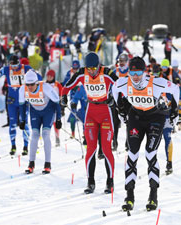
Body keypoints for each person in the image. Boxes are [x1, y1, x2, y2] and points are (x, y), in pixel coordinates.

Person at [112, 57, 180, 211]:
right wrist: (120, 108)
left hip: (155, 117)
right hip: (136, 117)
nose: (135, 76)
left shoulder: (155, 82)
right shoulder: (124, 82)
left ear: (144, 72)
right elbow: (114, 89)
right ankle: (129, 197)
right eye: (132, 72)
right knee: (132, 154)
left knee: (150, 154)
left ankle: (153, 195)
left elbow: (175, 89)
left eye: (138, 72)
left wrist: (175, 111)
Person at [62, 52, 118, 194]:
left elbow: (120, 85)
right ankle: (90, 182)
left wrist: (113, 98)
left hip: (105, 112)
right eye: (89, 69)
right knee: (90, 149)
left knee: (105, 149)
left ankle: (109, 182)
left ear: (99, 65)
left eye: (94, 68)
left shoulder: (106, 72)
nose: (92, 72)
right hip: (91, 112)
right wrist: (63, 97)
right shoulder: (82, 73)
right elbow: (67, 86)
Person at [0, 54, 40, 156]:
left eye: (15, 65)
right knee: (12, 123)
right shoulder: (6, 69)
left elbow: (38, 77)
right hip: (12, 101)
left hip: (24, 101)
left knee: (24, 122)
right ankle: (13, 146)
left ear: (19, 63)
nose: (13, 67)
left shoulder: (25, 68)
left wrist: (33, 75)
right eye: (11, 65)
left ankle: (25, 147)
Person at [19, 70, 61, 174]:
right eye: (27, 84)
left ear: (36, 83)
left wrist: (58, 118)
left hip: (48, 111)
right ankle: (31, 164)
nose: (29, 87)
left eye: (32, 84)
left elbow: (56, 101)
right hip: (35, 112)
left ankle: (47, 164)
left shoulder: (45, 87)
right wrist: (22, 119)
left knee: (45, 134)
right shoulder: (22, 89)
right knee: (35, 135)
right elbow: (22, 105)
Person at [46, 69, 63, 147]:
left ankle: (57, 137)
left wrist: (62, 106)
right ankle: (47, 139)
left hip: (55, 105)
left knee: (55, 122)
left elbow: (61, 94)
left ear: (53, 77)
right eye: (48, 76)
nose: (49, 78)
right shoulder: (44, 84)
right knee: (47, 123)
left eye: (50, 76)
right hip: (46, 106)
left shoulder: (57, 84)